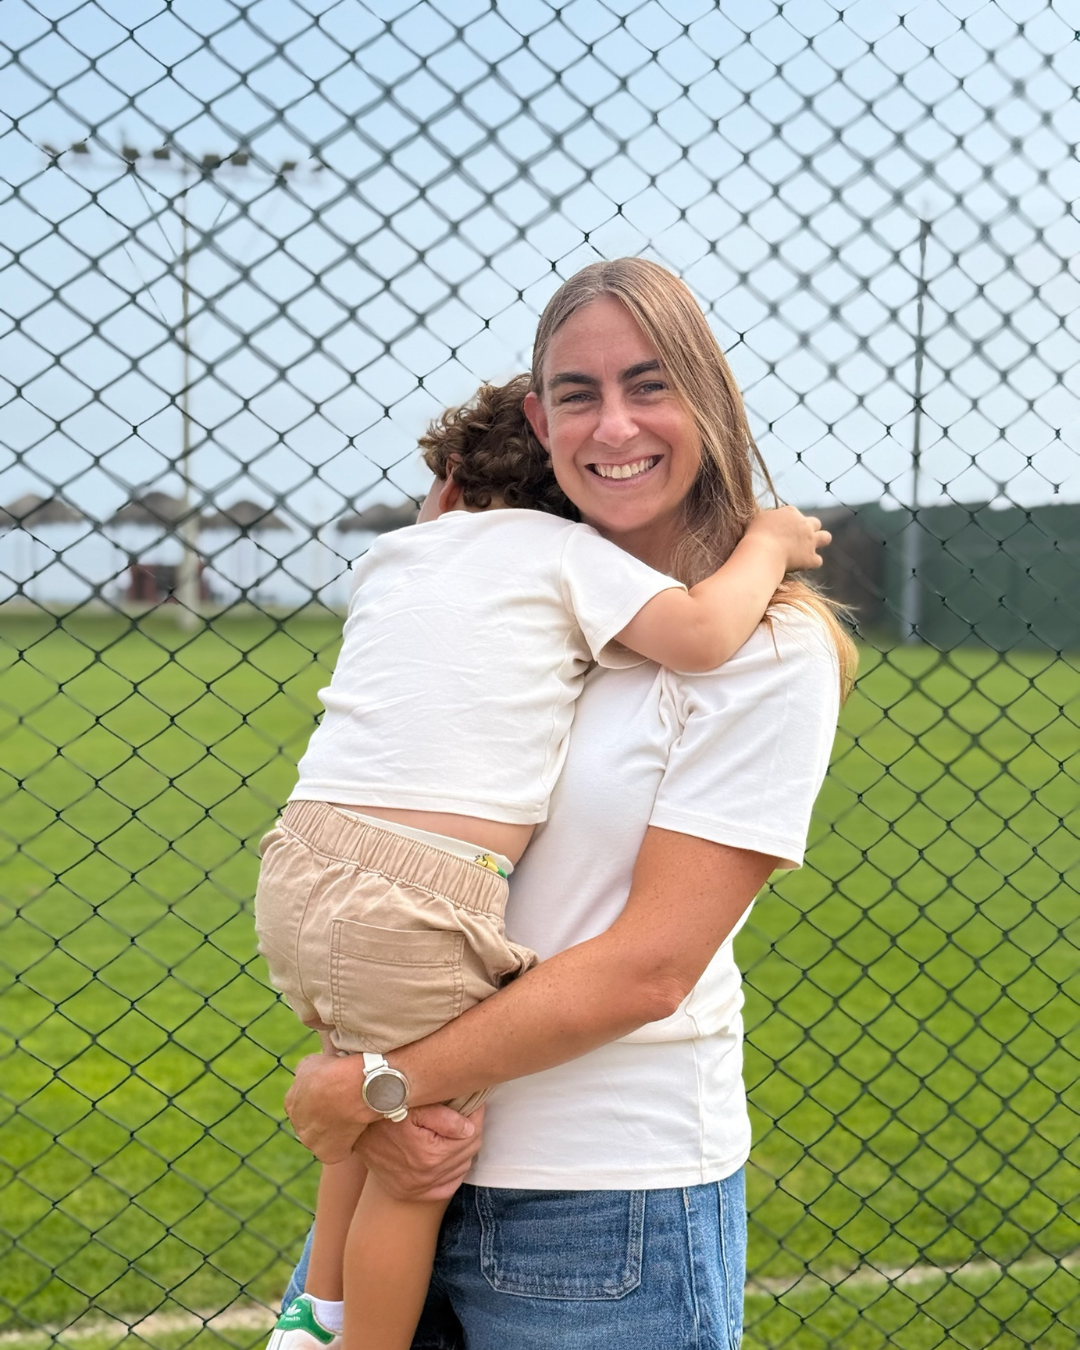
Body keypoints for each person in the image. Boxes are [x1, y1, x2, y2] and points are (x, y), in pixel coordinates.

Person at [281, 258, 857, 1350]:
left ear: (710, 405)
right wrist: (380, 1096)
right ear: (543, 422)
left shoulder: (765, 651)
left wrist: (374, 1088)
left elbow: (649, 967)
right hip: (410, 1155)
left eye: (651, 384)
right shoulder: (525, 608)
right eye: (580, 394)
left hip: (602, 1211)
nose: (616, 424)